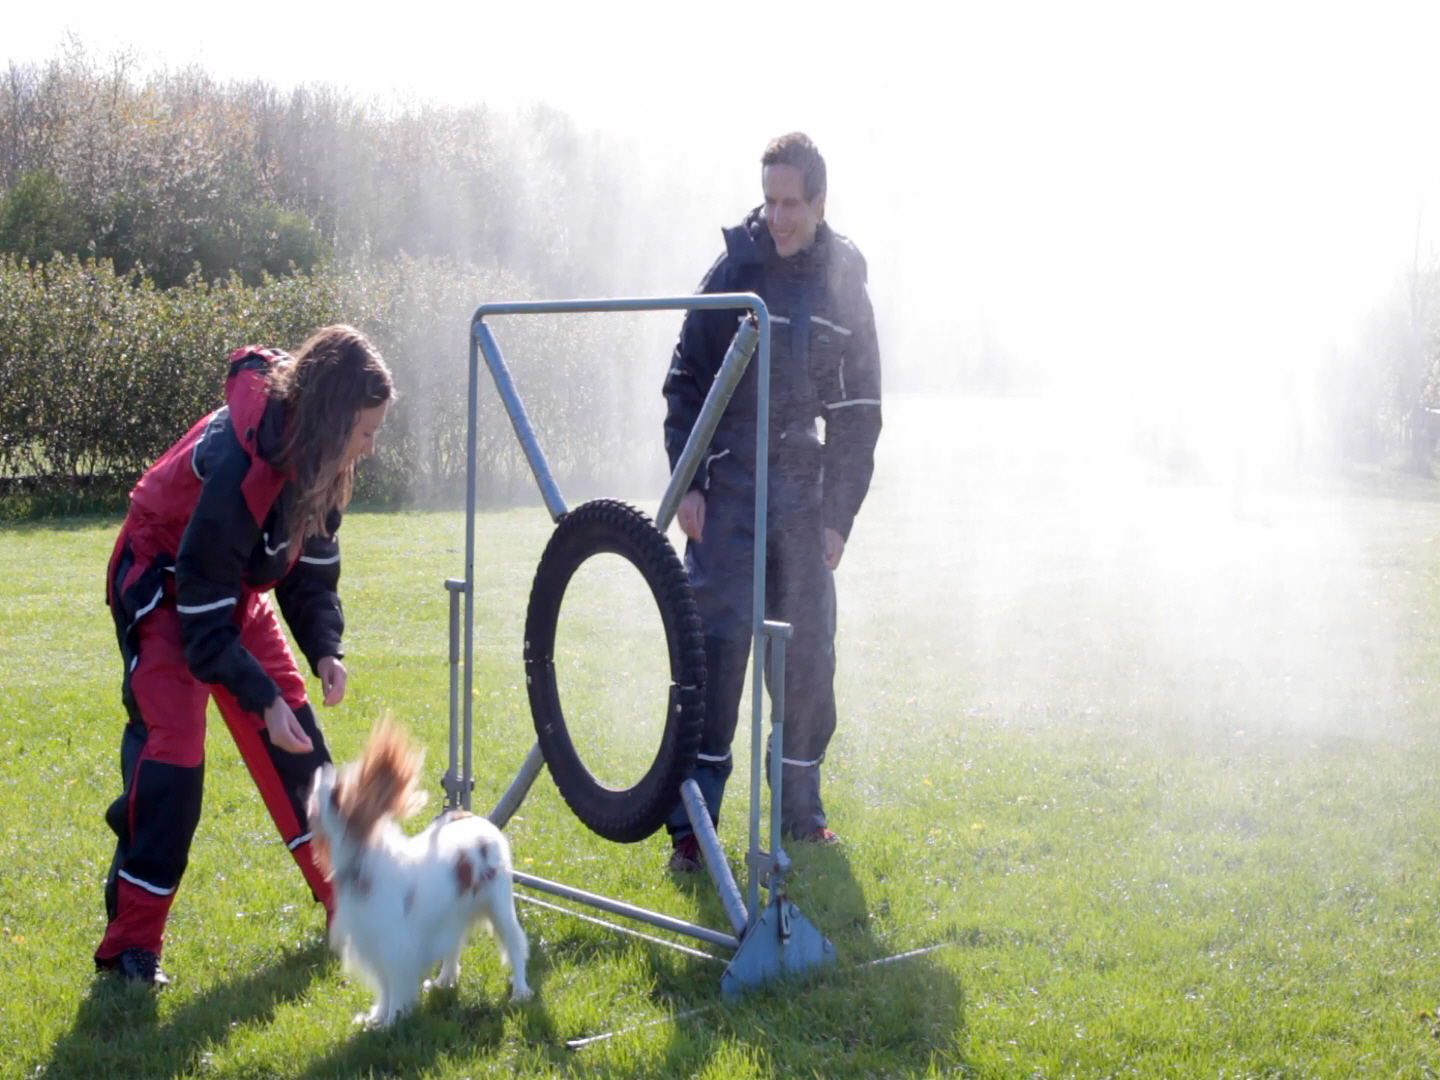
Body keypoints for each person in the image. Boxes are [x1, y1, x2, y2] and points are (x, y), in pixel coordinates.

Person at [95, 324, 394, 984]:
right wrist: (258, 697)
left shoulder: (321, 458)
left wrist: (325, 649)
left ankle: (349, 909)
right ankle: (131, 946)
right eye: (366, 432)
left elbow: (309, 573)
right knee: (174, 758)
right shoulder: (241, 461)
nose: (371, 448)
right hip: (164, 583)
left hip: (224, 590)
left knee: (302, 748)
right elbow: (203, 608)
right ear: (331, 418)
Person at [661, 132, 882, 870]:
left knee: (807, 657)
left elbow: (858, 413)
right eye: (769, 202)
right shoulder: (732, 271)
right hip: (727, 490)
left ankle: (800, 815)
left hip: (801, 498)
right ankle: (694, 827)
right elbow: (685, 382)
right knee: (714, 654)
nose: (776, 218)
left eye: (791, 204)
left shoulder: (845, 283)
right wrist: (689, 480)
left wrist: (836, 518)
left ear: (820, 202)